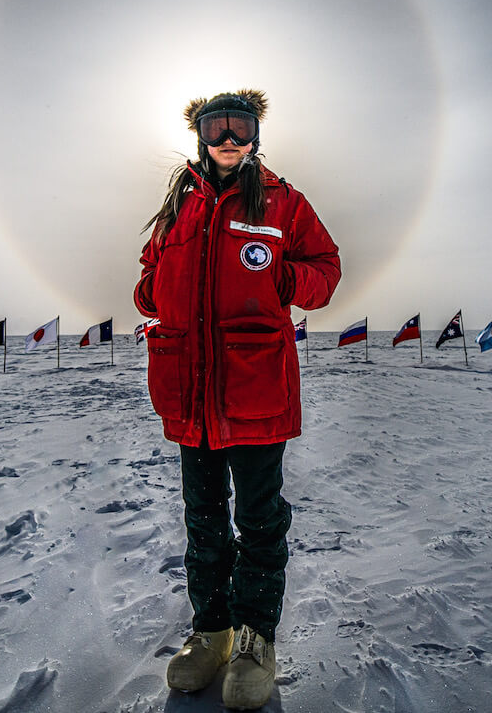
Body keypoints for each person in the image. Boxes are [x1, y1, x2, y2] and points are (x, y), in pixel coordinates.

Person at [134, 90, 341, 709]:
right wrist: (153, 292)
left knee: (258, 520)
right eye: (216, 127)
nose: (228, 139)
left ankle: (255, 640)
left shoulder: (282, 200)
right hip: (190, 393)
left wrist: (285, 278)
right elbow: (148, 271)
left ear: (255, 134)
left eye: (240, 127)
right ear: (200, 135)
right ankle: (213, 634)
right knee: (203, 523)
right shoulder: (179, 206)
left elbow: (325, 268)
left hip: (254, 392)